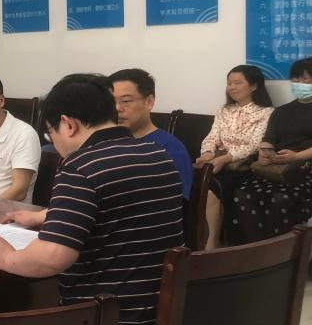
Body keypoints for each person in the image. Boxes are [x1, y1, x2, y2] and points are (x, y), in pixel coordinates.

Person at [0, 74, 183, 325]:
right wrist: (45, 215)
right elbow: (120, 211)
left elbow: (52, 258)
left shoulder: (81, 166)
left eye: (51, 133)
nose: (55, 144)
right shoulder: (156, 154)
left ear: (68, 124)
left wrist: (4, 256)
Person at [233, 58, 312, 244]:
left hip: (305, 170)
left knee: (281, 199)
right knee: (243, 194)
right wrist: (265, 152)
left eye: (306, 80)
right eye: (296, 80)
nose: (300, 84)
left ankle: (284, 253)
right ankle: (256, 247)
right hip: (276, 169)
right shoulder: (282, 111)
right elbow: (268, 139)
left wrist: (296, 156)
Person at [196, 65, 274, 248]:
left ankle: (210, 245)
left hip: (244, 166)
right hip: (217, 161)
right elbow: (212, 137)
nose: (232, 87)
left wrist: (225, 159)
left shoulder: (266, 112)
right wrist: (207, 153)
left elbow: (254, 144)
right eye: (229, 83)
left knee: (211, 187)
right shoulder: (224, 110)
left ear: (253, 86)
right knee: (193, 180)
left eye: (238, 83)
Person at [108, 68, 193, 197]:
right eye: (111, 102)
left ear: (149, 102)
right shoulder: (105, 142)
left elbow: (176, 202)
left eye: (126, 101)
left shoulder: (170, 149)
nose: (117, 108)